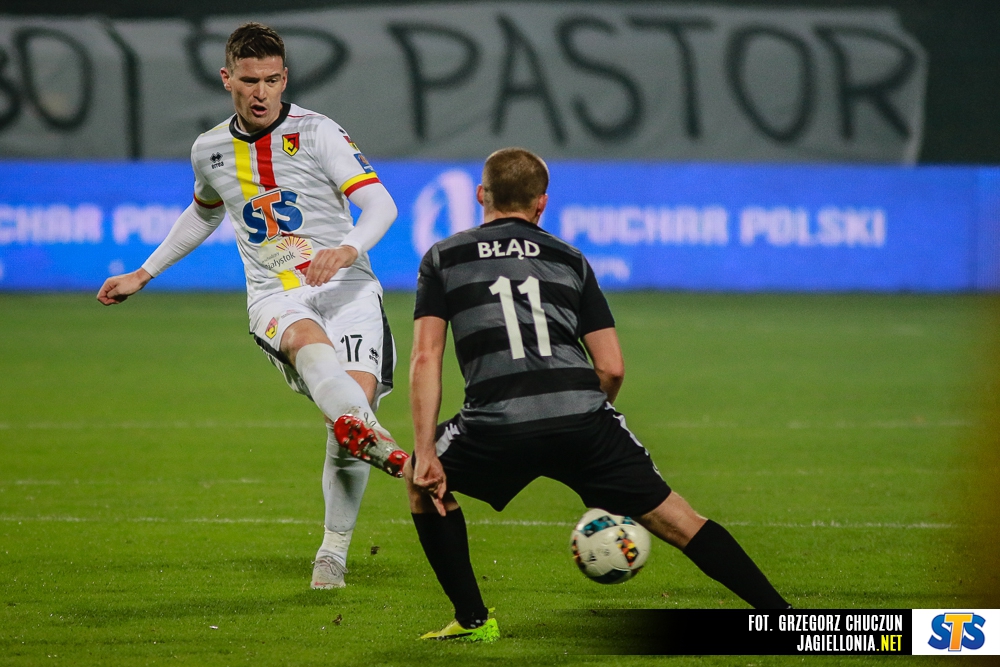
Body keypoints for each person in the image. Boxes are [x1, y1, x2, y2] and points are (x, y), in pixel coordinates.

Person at [403, 147, 791, 642]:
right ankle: (786, 618)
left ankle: (474, 621)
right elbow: (611, 367)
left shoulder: (444, 257)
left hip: (497, 423)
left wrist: (424, 451)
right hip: (584, 419)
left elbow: (426, 357)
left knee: (421, 483)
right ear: (542, 203)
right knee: (680, 520)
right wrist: (590, 421)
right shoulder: (571, 259)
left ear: (482, 195)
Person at [96, 23, 407, 590]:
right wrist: (144, 272)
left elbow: (381, 205)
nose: (261, 92)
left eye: (271, 80)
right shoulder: (209, 150)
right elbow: (204, 212)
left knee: (351, 412)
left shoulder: (318, 132)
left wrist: (346, 248)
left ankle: (333, 550)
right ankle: (373, 444)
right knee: (312, 353)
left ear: (284, 78)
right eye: (248, 81)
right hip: (274, 293)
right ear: (227, 79)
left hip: (348, 285)